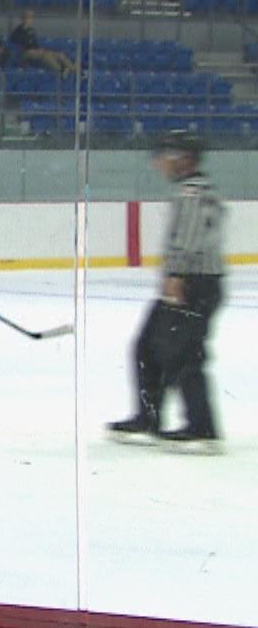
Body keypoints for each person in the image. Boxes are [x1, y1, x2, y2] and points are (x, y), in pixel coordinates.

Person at [109, 131, 225, 452]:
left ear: (182, 158)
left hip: (192, 282)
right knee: (149, 347)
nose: (160, 163)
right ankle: (149, 417)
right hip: (193, 281)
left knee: (184, 355)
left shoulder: (192, 194)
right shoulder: (199, 191)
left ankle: (202, 428)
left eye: (165, 156)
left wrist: (177, 276)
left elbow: (187, 240)